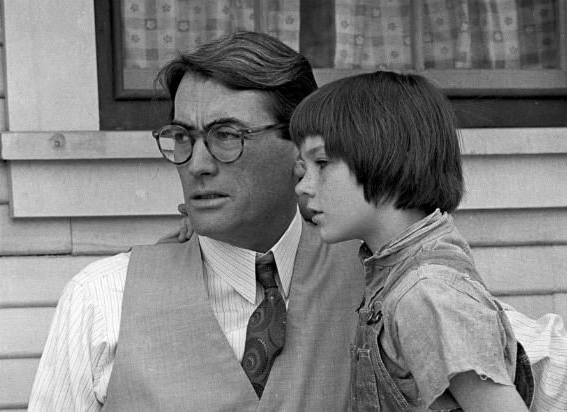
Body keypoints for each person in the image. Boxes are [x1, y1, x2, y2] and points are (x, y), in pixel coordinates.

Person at [27, 31, 366, 411]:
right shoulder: (102, 298)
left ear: (299, 147)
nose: (197, 164)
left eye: (227, 135)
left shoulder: (371, 277)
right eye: (182, 136)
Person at [291, 71, 534, 411]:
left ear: (384, 157)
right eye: (304, 168)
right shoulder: (396, 274)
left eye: (322, 163)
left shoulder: (426, 294)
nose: (303, 186)